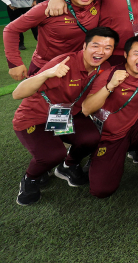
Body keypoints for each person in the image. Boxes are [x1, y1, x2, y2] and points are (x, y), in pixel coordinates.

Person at [13, 27, 119, 206]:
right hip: (34, 118)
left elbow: (90, 104)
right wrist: (47, 73)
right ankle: (30, 179)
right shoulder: (64, 63)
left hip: (67, 114)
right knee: (52, 155)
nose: (101, 51)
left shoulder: (105, 68)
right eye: (95, 45)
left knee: (92, 138)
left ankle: (68, 165)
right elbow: (17, 93)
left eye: (108, 48)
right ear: (84, 46)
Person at [82, 35, 138, 197]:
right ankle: (95, 156)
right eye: (136, 53)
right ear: (125, 55)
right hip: (110, 136)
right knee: (101, 190)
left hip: (134, 129)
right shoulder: (110, 74)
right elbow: (86, 109)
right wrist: (110, 86)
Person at [5, 0, 100, 79]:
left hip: (78, 67)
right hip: (46, 68)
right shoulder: (47, 8)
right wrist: (14, 63)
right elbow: (11, 30)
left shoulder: (98, 4)